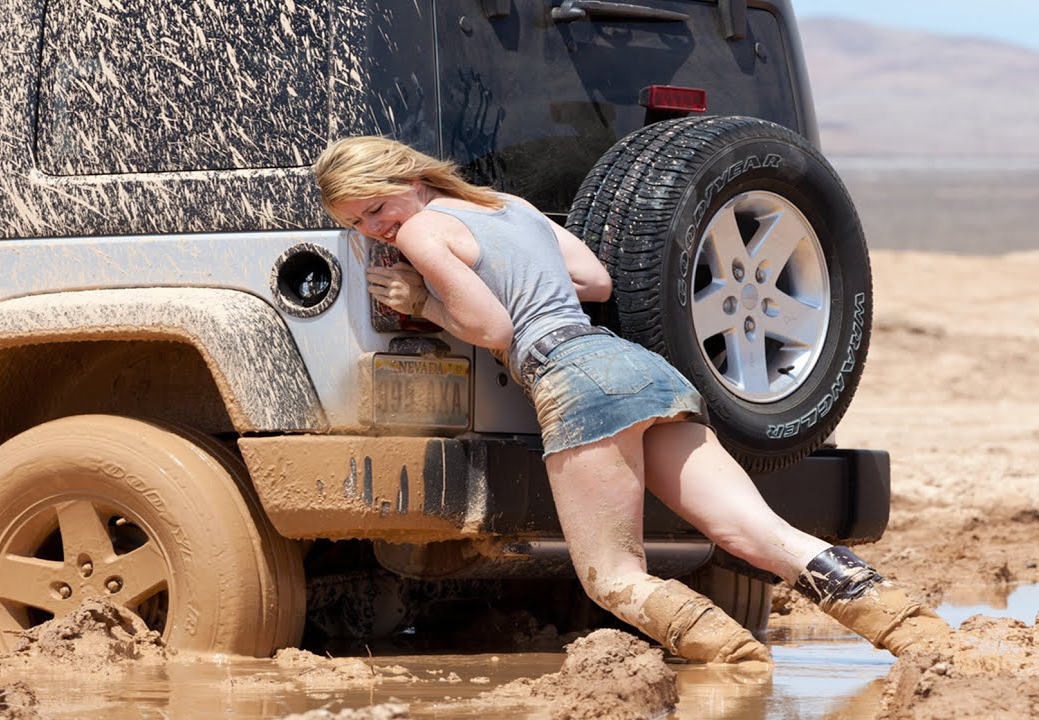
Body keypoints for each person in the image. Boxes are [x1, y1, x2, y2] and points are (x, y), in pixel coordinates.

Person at [313, 135, 954, 664]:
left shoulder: (425, 231)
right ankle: (918, 636)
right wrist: (518, 278)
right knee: (754, 531)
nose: (376, 229)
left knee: (612, 577)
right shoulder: (507, 205)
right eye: (356, 223)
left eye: (374, 208)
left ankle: (736, 668)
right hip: (642, 368)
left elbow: (492, 331)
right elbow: (595, 280)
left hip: (572, 378)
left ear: (407, 177)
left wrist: (421, 299)